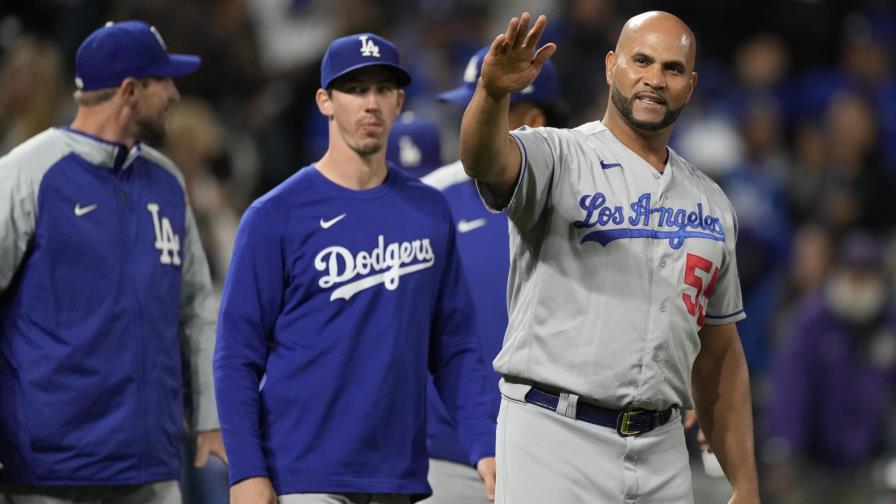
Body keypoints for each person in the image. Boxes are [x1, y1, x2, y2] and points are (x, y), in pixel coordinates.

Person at [459, 11, 760, 503]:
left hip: (662, 447)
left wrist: (745, 483)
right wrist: (493, 95)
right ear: (610, 66)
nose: (655, 79)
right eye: (641, 60)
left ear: (691, 84)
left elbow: (720, 354)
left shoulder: (711, 204)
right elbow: (484, 160)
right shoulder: (558, 155)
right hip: (554, 436)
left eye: (672, 68)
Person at [214, 33, 496, 504]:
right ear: (325, 101)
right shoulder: (275, 215)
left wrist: (483, 445)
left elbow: (455, 347)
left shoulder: (428, 210)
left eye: (383, 89)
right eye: (355, 89)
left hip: (398, 475)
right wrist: (246, 471)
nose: (371, 103)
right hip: (302, 471)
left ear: (400, 100)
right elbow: (236, 356)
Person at [0, 20, 225, 503]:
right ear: (129, 90)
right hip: (50, 468)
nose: (174, 94)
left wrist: (209, 417)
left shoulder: (167, 181)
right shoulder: (28, 173)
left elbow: (197, 311)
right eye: (163, 80)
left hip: (150, 462)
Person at [413, 46, 566, 504]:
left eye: (486, 104)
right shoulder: (430, 197)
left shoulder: (588, 200)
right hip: (447, 455)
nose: (469, 120)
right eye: (467, 107)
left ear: (533, 121)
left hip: (559, 453)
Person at [764, 232, 896, 504]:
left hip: (864, 463)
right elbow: (792, 388)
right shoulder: (813, 319)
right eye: (853, 274)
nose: (859, 285)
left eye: (867, 276)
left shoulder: (888, 324)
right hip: (811, 463)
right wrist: (785, 449)